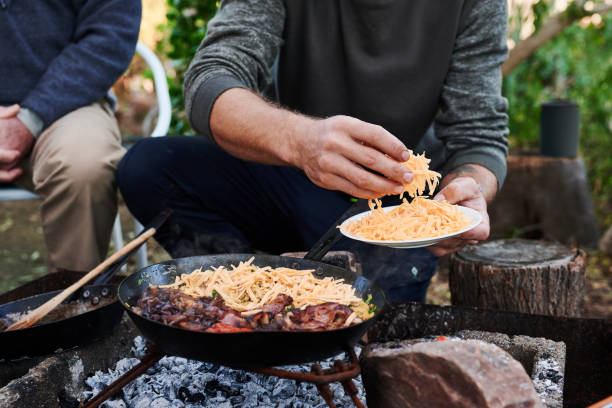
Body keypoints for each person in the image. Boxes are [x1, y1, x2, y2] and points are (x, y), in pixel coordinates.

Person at [118, 0, 509, 302]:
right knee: (150, 168)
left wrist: (468, 189)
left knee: (377, 318)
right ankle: (244, 289)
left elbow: (478, 138)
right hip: (290, 180)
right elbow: (211, 81)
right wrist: (301, 141)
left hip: (396, 217)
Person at [0, 0, 141, 272]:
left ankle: (73, 306)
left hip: (66, 104)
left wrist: (28, 120)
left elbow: (109, 35)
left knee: (85, 166)